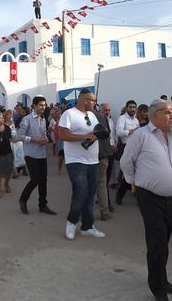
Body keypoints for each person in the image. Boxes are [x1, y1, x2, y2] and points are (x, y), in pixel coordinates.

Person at [121, 99, 172, 301]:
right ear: (154, 115)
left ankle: (161, 278)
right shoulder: (141, 135)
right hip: (149, 196)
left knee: (164, 240)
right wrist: (132, 181)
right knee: (157, 242)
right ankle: (157, 287)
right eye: (168, 112)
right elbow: (126, 161)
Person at [59, 89, 105, 240]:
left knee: (90, 195)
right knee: (81, 192)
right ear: (85, 100)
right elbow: (63, 135)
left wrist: (97, 136)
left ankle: (87, 227)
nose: (94, 103)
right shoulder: (69, 114)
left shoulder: (91, 115)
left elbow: (96, 132)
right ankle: (71, 222)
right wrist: (84, 136)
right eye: (92, 101)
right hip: (75, 161)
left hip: (93, 161)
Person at [18, 95, 57, 215]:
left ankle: (43, 205)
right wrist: (34, 140)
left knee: (43, 180)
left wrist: (45, 139)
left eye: (44, 105)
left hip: (42, 153)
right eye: (40, 105)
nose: (43, 107)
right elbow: (20, 136)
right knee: (35, 179)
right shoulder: (27, 119)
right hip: (30, 154)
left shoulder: (43, 119)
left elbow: (43, 134)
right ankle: (23, 200)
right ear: (34, 106)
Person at [115, 100, 140, 205]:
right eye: (130, 107)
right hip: (126, 147)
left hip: (137, 148)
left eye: (134, 107)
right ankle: (119, 195)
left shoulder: (136, 120)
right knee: (128, 173)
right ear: (126, 108)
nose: (132, 109)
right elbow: (119, 133)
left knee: (137, 172)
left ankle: (137, 194)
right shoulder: (122, 118)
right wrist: (130, 131)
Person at [94, 103, 116, 220]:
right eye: (105, 110)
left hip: (97, 155)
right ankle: (105, 211)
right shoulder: (102, 118)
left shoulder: (103, 118)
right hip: (103, 153)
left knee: (96, 183)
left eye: (109, 110)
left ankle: (83, 213)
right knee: (101, 183)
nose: (107, 112)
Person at [48, 107, 65, 174]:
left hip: (64, 139)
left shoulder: (63, 120)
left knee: (65, 155)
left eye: (58, 112)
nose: (57, 114)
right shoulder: (54, 120)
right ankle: (59, 168)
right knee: (61, 156)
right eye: (56, 113)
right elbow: (53, 130)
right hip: (60, 140)